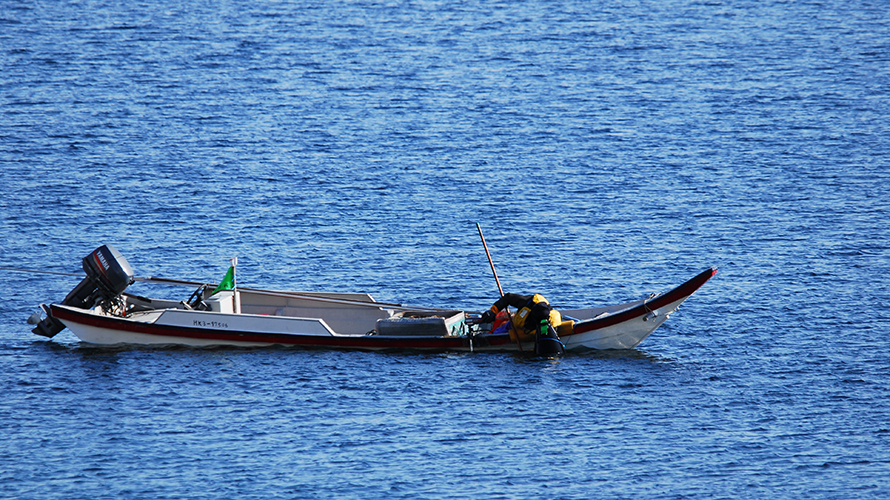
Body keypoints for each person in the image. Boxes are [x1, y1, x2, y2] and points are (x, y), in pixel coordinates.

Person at [479, 293, 563, 338]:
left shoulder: (553, 319)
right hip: (514, 324)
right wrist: (493, 311)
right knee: (496, 333)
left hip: (526, 331)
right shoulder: (527, 302)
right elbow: (507, 298)